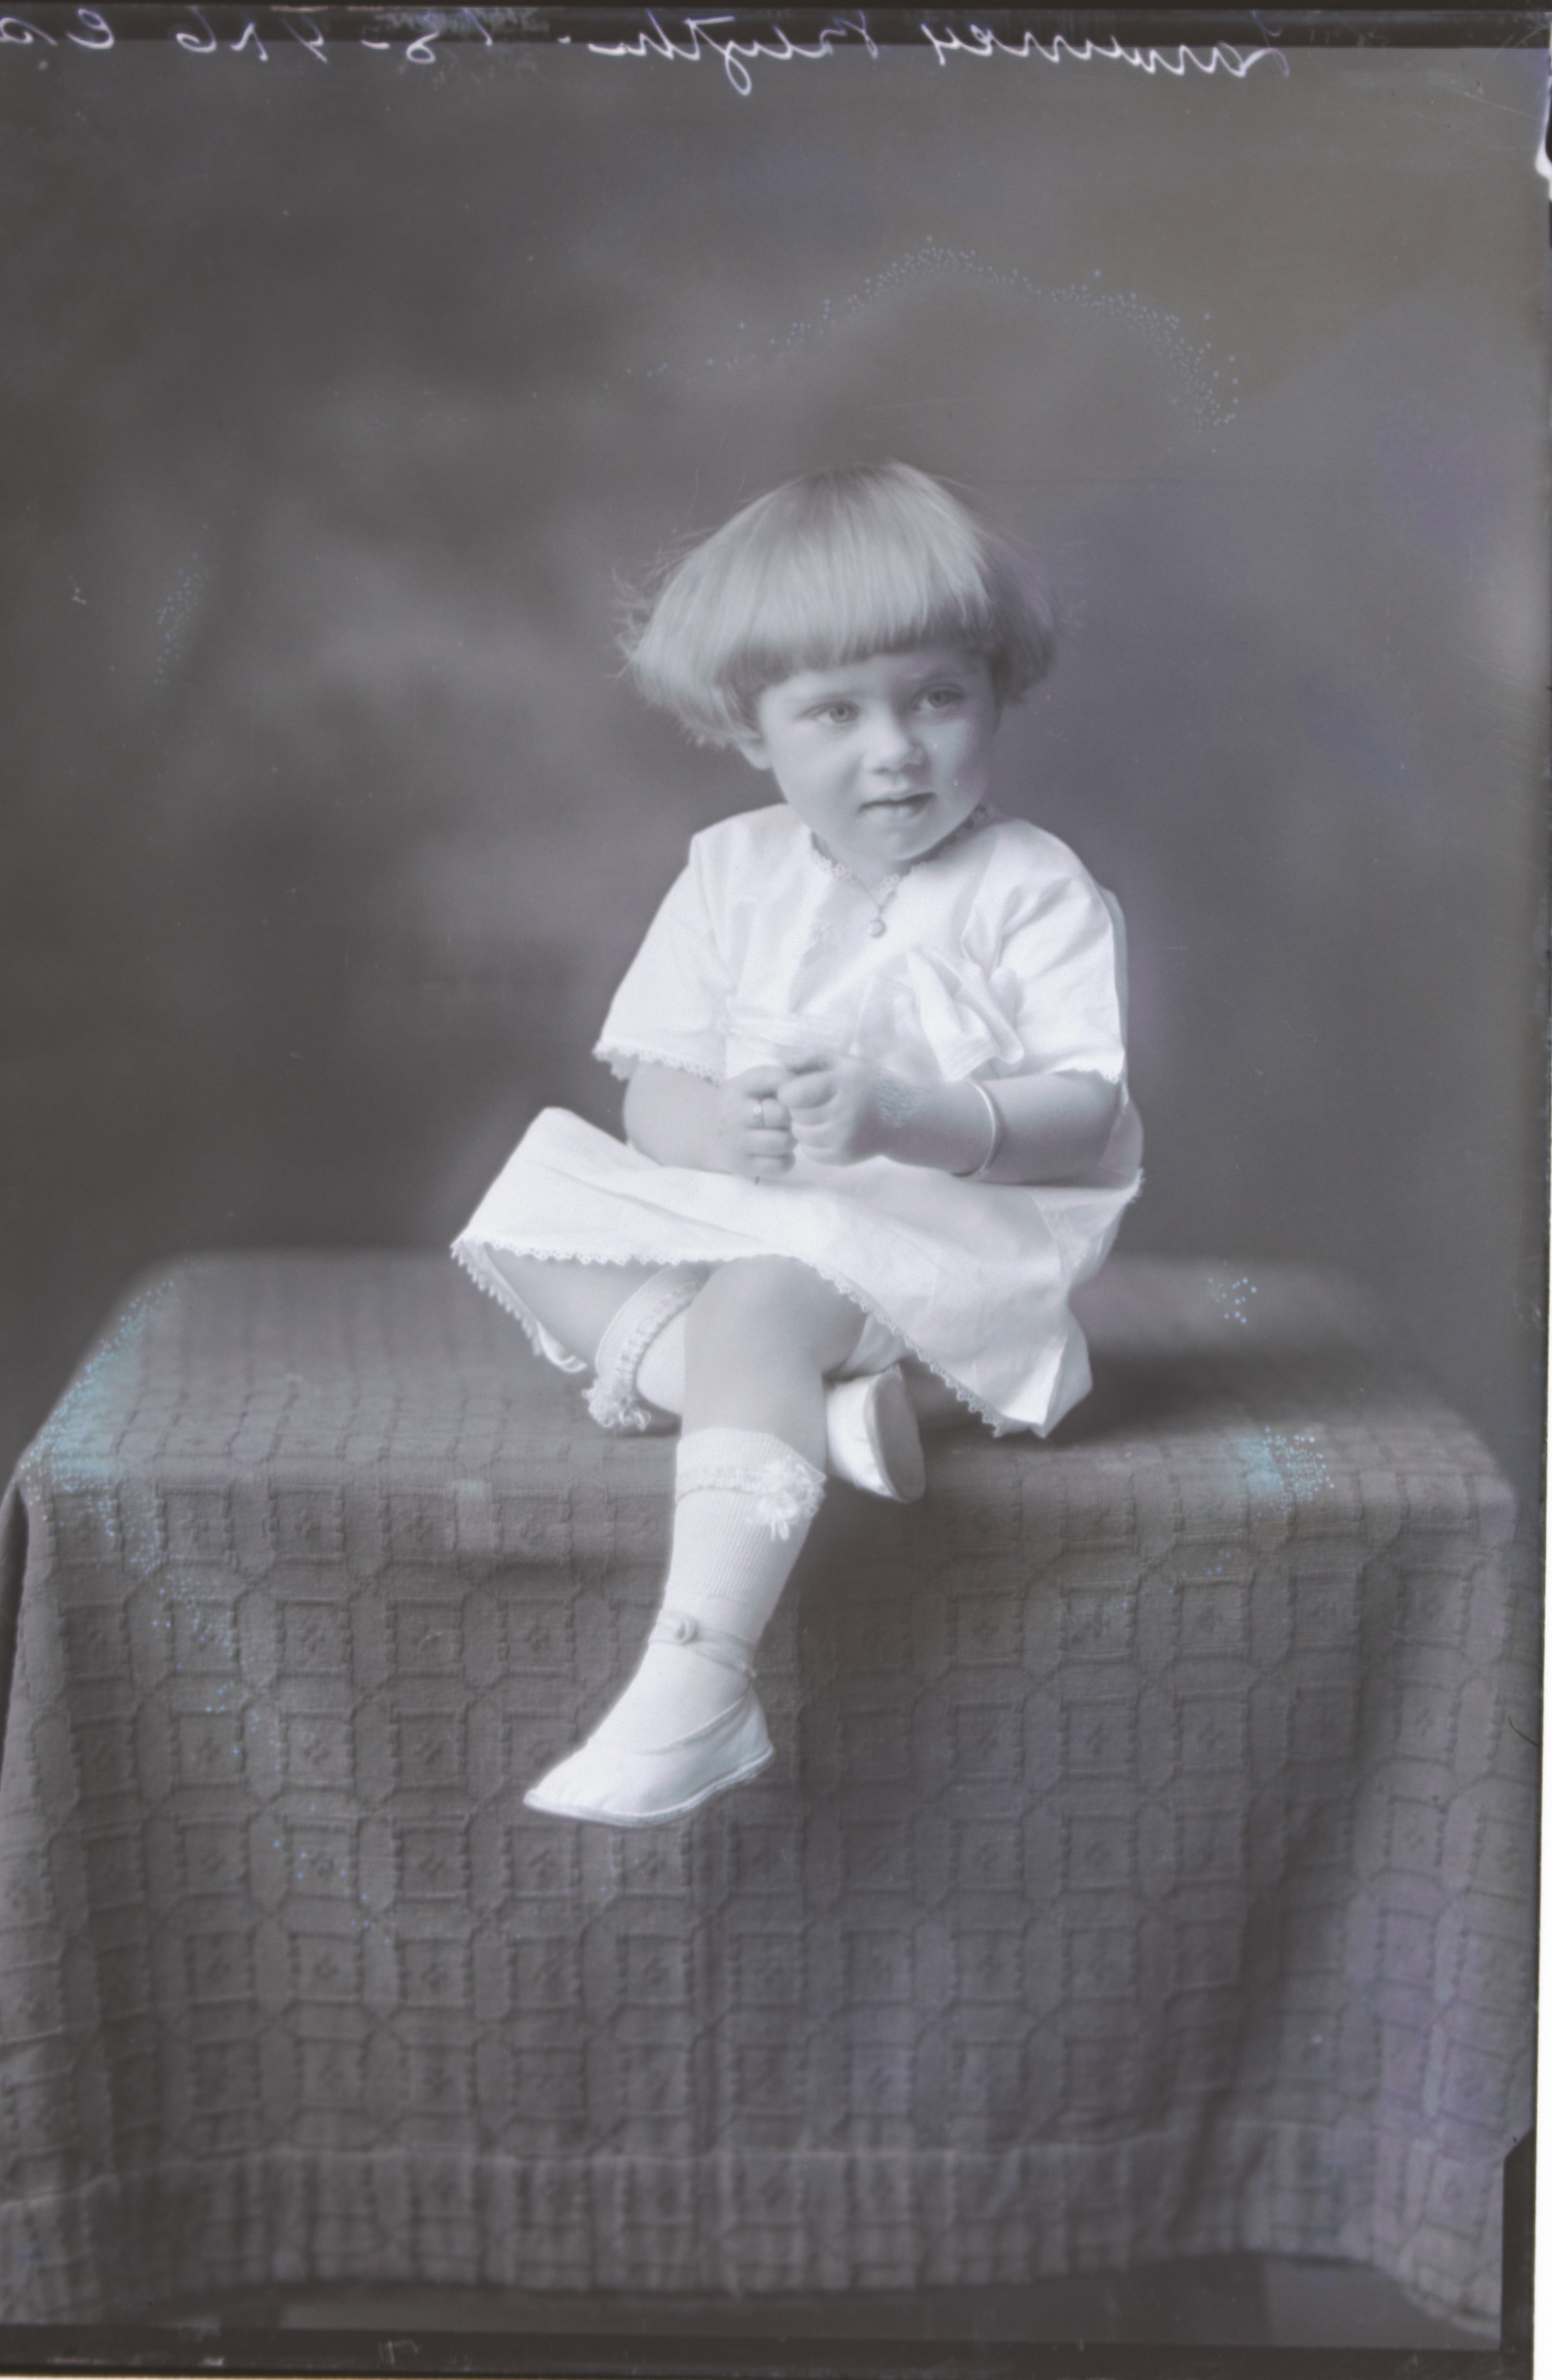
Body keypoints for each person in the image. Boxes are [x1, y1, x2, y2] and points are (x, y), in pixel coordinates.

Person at [454, 461, 1141, 1828]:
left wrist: (908, 1117)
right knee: (523, 1221)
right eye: (837, 711)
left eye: (936, 697)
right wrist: (723, 1125)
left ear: (996, 690)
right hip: (766, 1208)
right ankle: (815, 1417)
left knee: (762, 1299)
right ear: (752, 730)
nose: (895, 750)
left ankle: (700, 1675)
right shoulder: (732, 871)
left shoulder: (1031, 889)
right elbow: (655, 1088)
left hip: (944, 1235)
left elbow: (1087, 1114)